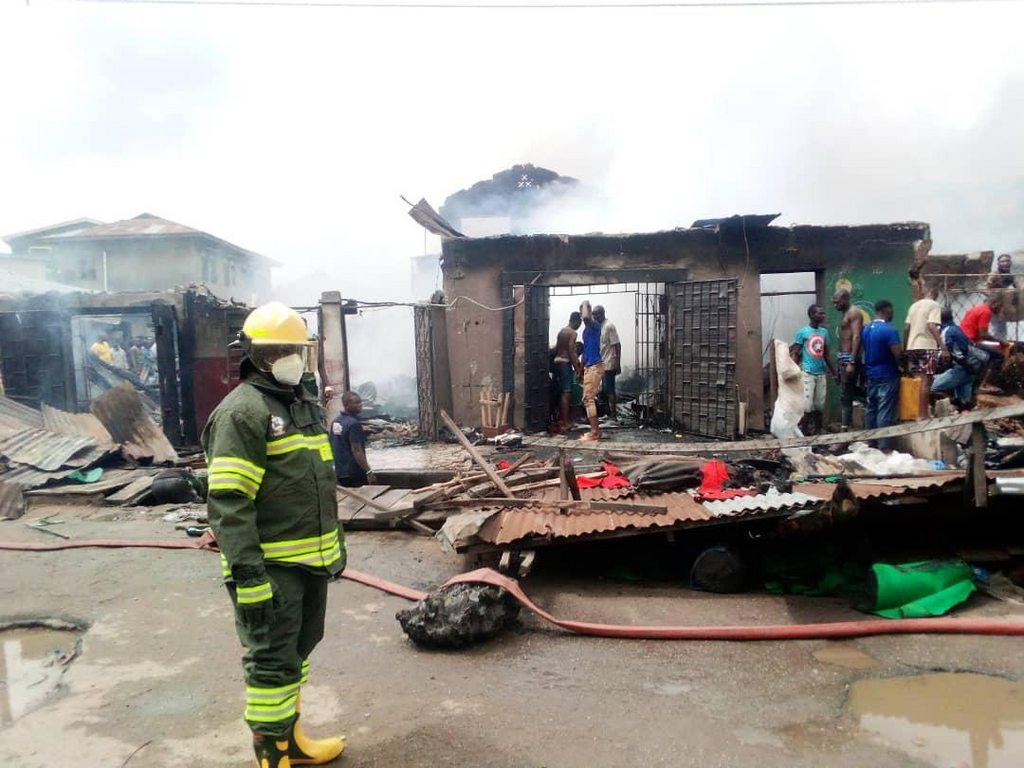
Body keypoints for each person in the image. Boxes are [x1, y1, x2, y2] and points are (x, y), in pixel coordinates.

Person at [201, 301, 346, 768]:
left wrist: (333, 551)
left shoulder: (300, 405)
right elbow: (229, 502)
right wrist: (249, 577)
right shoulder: (241, 413)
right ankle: (271, 758)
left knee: (297, 654)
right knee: (272, 664)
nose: (288, 357)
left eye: (294, 348)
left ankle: (293, 742)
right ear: (254, 356)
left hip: (311, 564)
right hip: (270, 569)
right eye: (277, 349)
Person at [861, 300, 904, 451]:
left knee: (871, 408)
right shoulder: (889, 330)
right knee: (885, 409)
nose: (893, 313)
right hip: (888, 374)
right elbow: (897, 353)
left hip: (871, 374)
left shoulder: (866, 329)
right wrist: (904, 366)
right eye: (892, 310)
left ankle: (871, 442)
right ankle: (884, 446)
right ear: (887, 310)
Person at [903, 285, 950, 417]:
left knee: (918, 380)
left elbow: (906, 328)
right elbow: (931, 325)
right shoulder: (934, 305)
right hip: (927, 346)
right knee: (926, 381)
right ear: (934, 293)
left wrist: (906, 348)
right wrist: (943, 348)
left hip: (912, 347)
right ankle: (923, 415)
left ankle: (915, 413)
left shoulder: (913, 306)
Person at [792, 304, 837, 435]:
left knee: (819, 406)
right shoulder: (802, 332)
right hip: (807, 373)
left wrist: (835, 373)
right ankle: (805, 433)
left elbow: (826, 354)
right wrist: (795, 372)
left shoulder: (824, 333)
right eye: (819, 313)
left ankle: (817, 432)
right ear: (811, 315)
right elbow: (796, 352)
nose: (822, 316)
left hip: (821, 373)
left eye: (823, 313)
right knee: (807, 406)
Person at [931, 307, 976, 409]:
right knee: (965, 403)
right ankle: (966, 412)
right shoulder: (957, 328)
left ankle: (956, 403)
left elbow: (945, 353)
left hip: (959, 369)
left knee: (931, 387)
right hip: (969, 368)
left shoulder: (947, 331)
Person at [960, 295, 1005, 394]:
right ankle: (984, 384)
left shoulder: (977, 308)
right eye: (1000, 306)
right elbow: (983, 334)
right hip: (970, 342)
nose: (1000, 309)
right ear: (994, 303)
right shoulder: (986, 312)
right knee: (998, 356)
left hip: (964, 339)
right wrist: (1000, 341)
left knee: (992, 349)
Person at [832, 290, 864, 429]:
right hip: (842, 358)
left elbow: (857, 336)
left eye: (837, 302)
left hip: (849, 359)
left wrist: (852, 361)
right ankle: (846, 426)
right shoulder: (845, 313)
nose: (835, 306)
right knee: (846, 393)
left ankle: (845, 428)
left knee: (847, 394)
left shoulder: (854, 313)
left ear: (845, 299)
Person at [330, 391, 375, 487]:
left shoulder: (336, 422)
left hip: (341, 472)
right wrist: (368, 471)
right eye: (356, 403)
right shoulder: (354, 424)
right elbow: (357, 451)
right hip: (354, 473)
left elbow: (334, 445)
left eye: (360, 402)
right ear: (346, 404)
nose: (360, 405)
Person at [552, 312, 583, 432]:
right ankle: (565, 423)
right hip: (565, 363)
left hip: (557, 363)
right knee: (567, 392)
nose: (579, 327)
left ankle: (561, 420)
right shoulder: (572, 333)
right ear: (576, 321)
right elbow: (571, 351)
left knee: (560, 393)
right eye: (579, 324)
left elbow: (555, 348)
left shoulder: (561, 331)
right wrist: (578, 369)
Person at [579, 300, 604, 441]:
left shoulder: (595, 326)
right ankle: (596, 431)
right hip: (590, 366)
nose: (583, 316)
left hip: (594, 366)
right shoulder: (586, 331)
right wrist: (580, 371)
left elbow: (587, 318)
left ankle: (594, 432)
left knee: (588, 399)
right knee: (588, 399)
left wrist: (585, 303)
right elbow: (585, 352)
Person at [596, 306, 621, 423]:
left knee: (610, 390)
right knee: (605, 390)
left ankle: (614, 416)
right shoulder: (599, 327)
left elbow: (617, 345)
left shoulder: (609, 326)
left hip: (610, 363)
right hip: (602, 363)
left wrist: (618, 363)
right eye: (593, 315)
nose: (594, 317)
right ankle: (608, 413)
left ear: (602, 314)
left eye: (596, 315)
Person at [986, 253, 1018, 341]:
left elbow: (1017, 287)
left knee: (1002, 329)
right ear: (998, 263)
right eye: (1003, 261)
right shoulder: (994, 274)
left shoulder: (1011, 275)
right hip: (994, 305)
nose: (1005, 263)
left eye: (1007, 261)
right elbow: (987, 288)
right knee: (997, 328)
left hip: (1004, 306)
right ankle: (998, 348)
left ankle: (1002, 346)